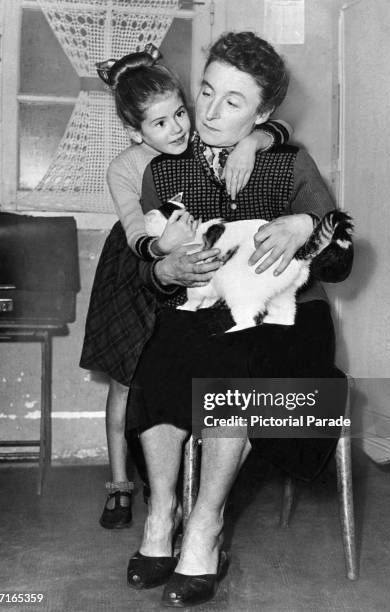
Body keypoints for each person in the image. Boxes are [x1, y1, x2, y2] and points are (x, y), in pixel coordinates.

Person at [124, 32, 353, 607]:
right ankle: (162, 515)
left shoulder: (287, 158)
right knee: (160, 350)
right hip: (205, 313)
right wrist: (168, 269)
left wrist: (308, 225)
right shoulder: (164, 171)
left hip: (293, 318)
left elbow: (341, 263)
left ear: (264, 112)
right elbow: (146, 277)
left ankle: (205, 526)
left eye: (233, 100)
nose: (209, 110)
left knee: (233, 354)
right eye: (205, 91)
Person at [79, 44, 292, 530]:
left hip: (198, 267)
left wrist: (250, 143)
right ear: (135, 131)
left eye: (180, 113)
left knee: (177, 367)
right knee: (127, 378)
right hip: (136, 267)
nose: (176, 128)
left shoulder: (198, 138)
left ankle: (180, 497)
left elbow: (278, 129)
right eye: (160, 123)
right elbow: (135, 232)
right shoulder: (125, 167)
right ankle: (120, 486)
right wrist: (161, 247)